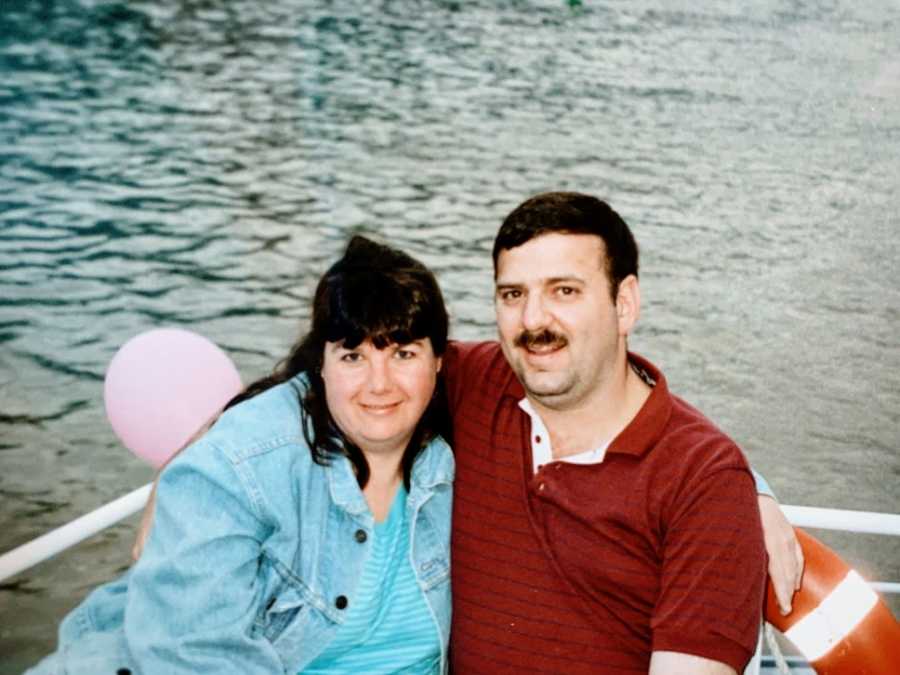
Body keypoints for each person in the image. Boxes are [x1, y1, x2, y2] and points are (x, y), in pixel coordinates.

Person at [26, 236, 454, 674]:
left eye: (403, 354)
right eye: (352, 356)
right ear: (321, 363)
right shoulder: (243, 466)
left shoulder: (454, 449)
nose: (379, 384)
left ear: (440, 360)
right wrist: (200, 454)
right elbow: (190, 655)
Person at [441, 192, 789, 674]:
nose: (533, 321)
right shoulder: (472, 384)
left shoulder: (703, 481)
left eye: (564, 291)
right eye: (513, 294)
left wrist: (747, 490)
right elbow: (338, 377)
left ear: (624, 305)